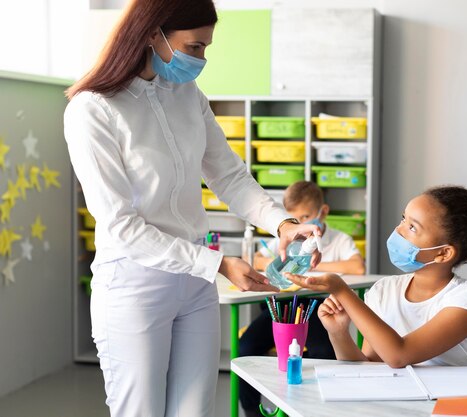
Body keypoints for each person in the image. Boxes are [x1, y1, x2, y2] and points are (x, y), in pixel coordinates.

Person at [63, 1, 319, 416]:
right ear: (152, 33)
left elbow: (229, 176)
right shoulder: (93, 110)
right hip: (136, 283)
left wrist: (283, 224)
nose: (200, 59)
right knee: (140, 410)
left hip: (196, 283)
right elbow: (122, 226)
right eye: (194, 46)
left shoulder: (186, 94)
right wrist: (217, 264)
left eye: (204, 48)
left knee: (194, 410)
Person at [288, 180, 467, 368]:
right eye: (403, 219)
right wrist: (338, 333)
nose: (398, 230)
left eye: (413, 227)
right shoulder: (384, 290)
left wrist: (341, 290)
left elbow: (399, 355)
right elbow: (369, 366)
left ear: (443, 253)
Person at [240, 181, 365, 417]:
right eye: (294, 218)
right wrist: (286, 265)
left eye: (306, 216)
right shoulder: (287, 240)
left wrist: (312, 264)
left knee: (323, 352)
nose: (302, 224)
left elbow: (357, 267)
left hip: (318, 309)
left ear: (323, 212)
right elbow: (256, 260)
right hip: (283, 309)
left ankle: (315, 409)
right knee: (246, 347)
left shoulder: (340, 240)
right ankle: (251, 410)